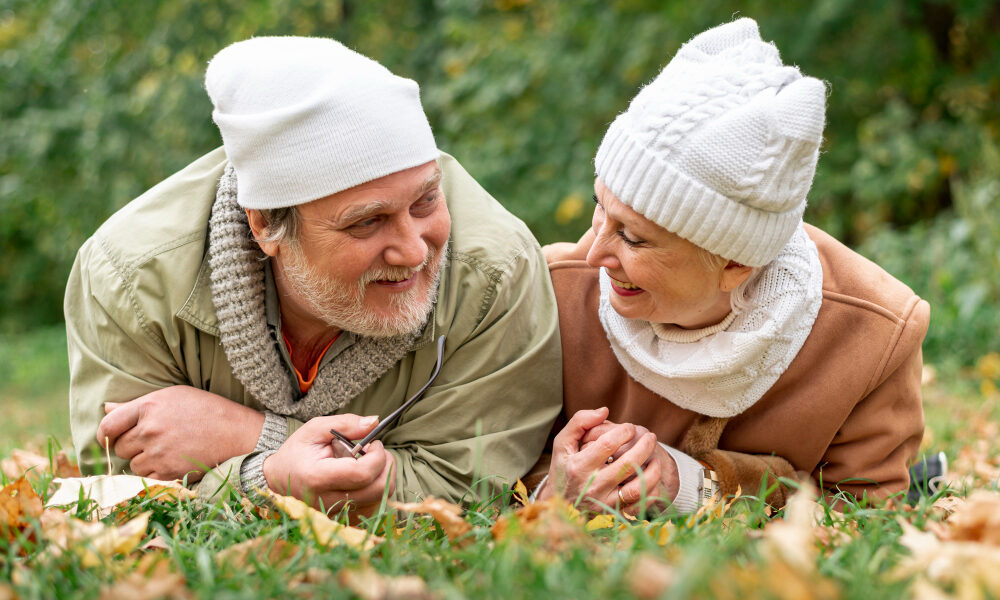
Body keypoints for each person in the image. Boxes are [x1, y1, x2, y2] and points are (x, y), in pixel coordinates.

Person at [64, 36, 562, 517]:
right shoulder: (131, 279)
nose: (414, 250)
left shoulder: (495, 271)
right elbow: (119, 493)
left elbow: (466, 489)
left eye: (426, 200)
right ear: (265, 225)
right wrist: (277, 471)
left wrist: (254, 447)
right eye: (367, 221)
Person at [533, 18, 929, 514]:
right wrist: (553, 490)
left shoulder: (873, 335)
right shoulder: (549, 293)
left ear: (737, 263)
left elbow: (864, 513)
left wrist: (696, 487)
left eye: (633, 237)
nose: (595, 254)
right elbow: (474, 465)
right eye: (600, 207)